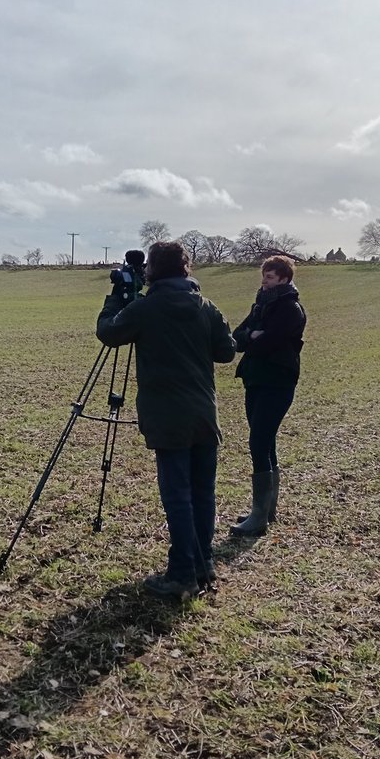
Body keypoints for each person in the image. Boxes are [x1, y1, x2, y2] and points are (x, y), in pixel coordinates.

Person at [96, 242, 236, 599]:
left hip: (168, 418)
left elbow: (109, 332)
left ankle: (182, 575)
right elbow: (226, 351)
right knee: (203, 494)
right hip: (205, 415)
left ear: (152, 271)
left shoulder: (146, 308)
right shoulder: (206, 307)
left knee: (178, 496)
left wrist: (117, 296)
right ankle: (203, 566)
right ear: (186, 268)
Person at [229, 255, 307, 536]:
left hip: (278, 382)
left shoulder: (291, 309)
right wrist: (253, 335)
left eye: (270, 277)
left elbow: (269, 345)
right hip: (255, 380)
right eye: (263, 276)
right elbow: (237, 338)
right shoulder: (260, 305)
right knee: (265, 440)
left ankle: (259, 517)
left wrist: (253, 339)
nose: (264, 281)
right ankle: (266, 510)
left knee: (259, 441)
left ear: (284, 278)